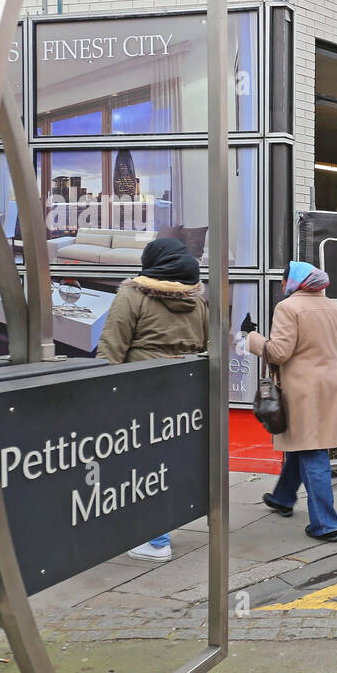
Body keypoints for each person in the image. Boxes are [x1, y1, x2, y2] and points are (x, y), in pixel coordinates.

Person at [97, 237, 208, 562]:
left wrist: (100, 395)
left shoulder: (133, 294)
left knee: (140, 463)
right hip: (182, 394)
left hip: (138, 392)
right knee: (165, 461)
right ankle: (157, 527)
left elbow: (112, 346)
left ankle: (155, 540)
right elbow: (205, 343)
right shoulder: (196, 301)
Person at [244, 261, 337, 541]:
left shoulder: (288, 307)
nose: (282, 287)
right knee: (303, 444)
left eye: (283, 282)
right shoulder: (333, 308)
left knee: (311, 451)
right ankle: (283, 498)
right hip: (328, 390)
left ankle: (326, 525)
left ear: (293, 281)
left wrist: (253, 338)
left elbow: (279, 352)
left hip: (301, 391)